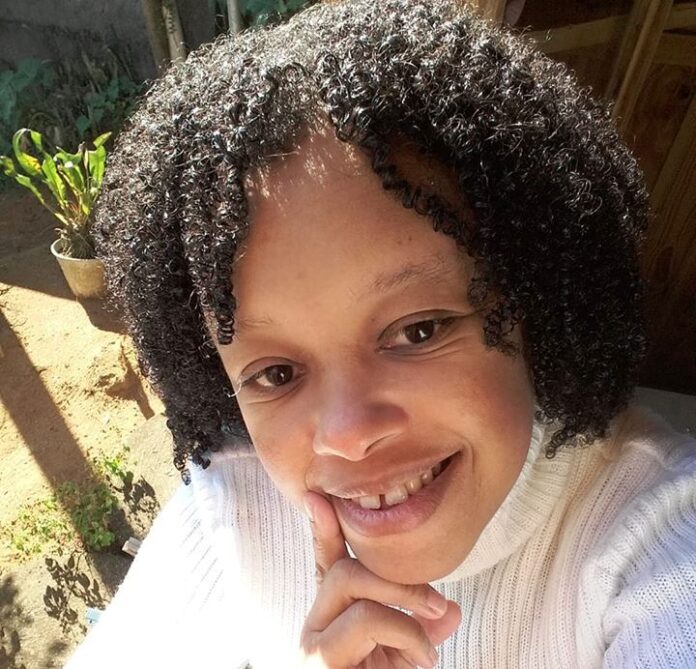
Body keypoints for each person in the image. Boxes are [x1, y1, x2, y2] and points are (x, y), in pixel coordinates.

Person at [65, 0, 696, 667]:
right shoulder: (236, 507)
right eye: (276, 374)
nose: (348, 435)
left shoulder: (656, 534)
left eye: (417, 331)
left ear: (532, 294)